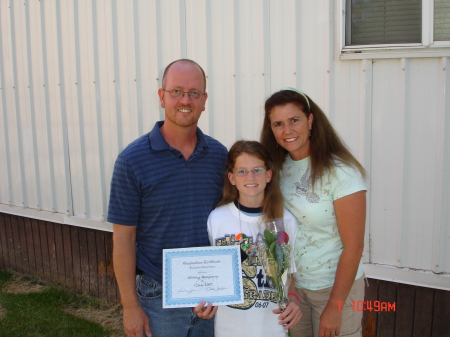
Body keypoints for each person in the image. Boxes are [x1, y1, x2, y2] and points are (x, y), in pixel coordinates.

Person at [107, 59, 228, 337]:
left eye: (194, 93)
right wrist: (130, 306)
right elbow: (123, 238)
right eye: (176, 91)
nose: (185, 100)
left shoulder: (219, 156)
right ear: (162, 97)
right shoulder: (131, 160)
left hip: (209, 292)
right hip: (157, 297)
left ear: (204, 100)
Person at [260, 88, 367, 337]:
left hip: (336, 289)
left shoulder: (342, 172)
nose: (287, 131)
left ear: (310, 121)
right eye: (278, 124)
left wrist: (334, 307)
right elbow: (277, 234)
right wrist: (291, 290)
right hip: (295, 289)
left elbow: (354, 247)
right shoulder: (275, 171)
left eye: (294, 120)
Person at [195, 140, 302, 336]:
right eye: (242, 171)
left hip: (273, 328)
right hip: (228, 329)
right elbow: (209, 273)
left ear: (269, 175)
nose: (250, 176)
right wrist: (203, 302)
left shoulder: (285, 221)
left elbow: (288, 276)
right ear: (232, 178)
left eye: (257, 170)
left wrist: (293, 299)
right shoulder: (217, 219)